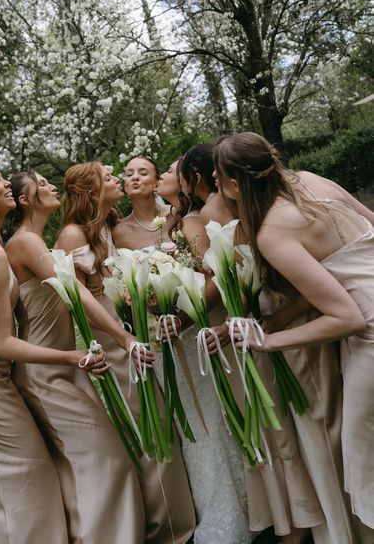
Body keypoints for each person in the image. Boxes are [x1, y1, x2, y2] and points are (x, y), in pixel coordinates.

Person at [215, 132, 374, 536]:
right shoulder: (311, 179)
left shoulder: (270, 230)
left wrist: (265, 342)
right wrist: (284, 317)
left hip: (370, 334)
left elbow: (347, 317)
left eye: (218, 178)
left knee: (363, 460)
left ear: (233, 184)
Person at [0, 164, 104, 544]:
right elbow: (3, 344)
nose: (6, 184)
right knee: (31, 472)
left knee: (12, 473)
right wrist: (71, 356)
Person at [181, 144, 328, 543]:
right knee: (286, 420)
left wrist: (227, 322)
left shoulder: (215, 211)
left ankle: (297, 522)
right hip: (265, 312)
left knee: (278, 422)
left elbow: (230, 270)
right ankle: (304, 516)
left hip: (256, 315)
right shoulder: (250, 200)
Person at [56, 161, 196, 544]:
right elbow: (78, 300)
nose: (119, 179)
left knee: (161, 428)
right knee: (151, 433)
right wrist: (121, 338)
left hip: (132, 333)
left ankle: (177, 522)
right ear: (90, 190)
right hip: (116, 343)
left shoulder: (104, 227)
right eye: (109, 177)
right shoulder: (71, 234)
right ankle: (169, 531)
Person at [5, 170, 145, 543]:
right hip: (44, 373)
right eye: (43, 184)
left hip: (69, 365)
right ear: (24, 200)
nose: (53, 187)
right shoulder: (23, 243)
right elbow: (75, 293)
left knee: (94, 462)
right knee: (104, 461)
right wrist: (122, 337)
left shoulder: (38, 240)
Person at [155, 158, 252, 544]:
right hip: (183, 329)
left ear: (187, 182)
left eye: (169, 171)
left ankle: (237, 508)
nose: (163, 175)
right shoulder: (175, 221)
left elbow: (208, 273)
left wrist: (183, 316)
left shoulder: (195, 220)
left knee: (215, 416)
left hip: (203, 323)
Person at [112, 156, 172, 249]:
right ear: (125, 187)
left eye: (143, 173)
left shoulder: (175, 214)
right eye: (129, 175)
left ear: (157, 183)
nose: (135, 177)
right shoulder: (121, 232)